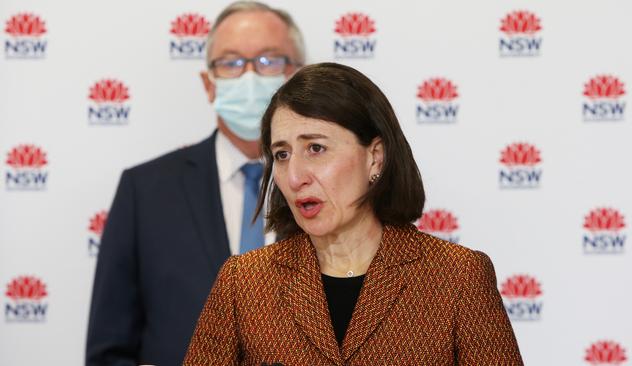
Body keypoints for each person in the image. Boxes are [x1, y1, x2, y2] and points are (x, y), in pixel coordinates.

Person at [183, 63, 524, 365]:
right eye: (282, 154)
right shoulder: (243, 282)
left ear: (375, 157)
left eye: (315, 148)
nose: (294, 175)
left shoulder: (458, 277)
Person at [85, 2, 305, 365]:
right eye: (231, 63)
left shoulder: (331, 188)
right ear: (209, 83)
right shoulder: (145, 192)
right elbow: (109, 353)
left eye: (268, 61)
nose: (249, 77)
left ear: (298, 75)